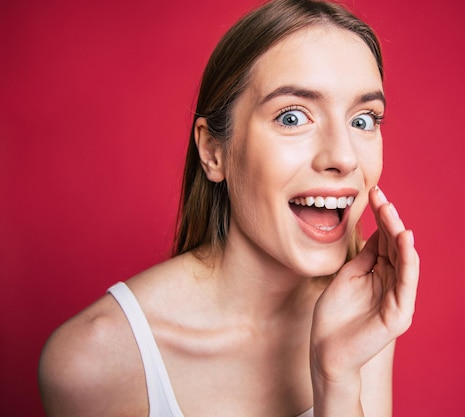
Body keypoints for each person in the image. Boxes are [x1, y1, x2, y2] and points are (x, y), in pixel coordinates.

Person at [38, 0, 420, 416]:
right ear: (213, 151)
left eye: (363, 120)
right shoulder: (94, 362)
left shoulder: (362, 315)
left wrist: (337, 379)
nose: (344, 158)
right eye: (292, 117)